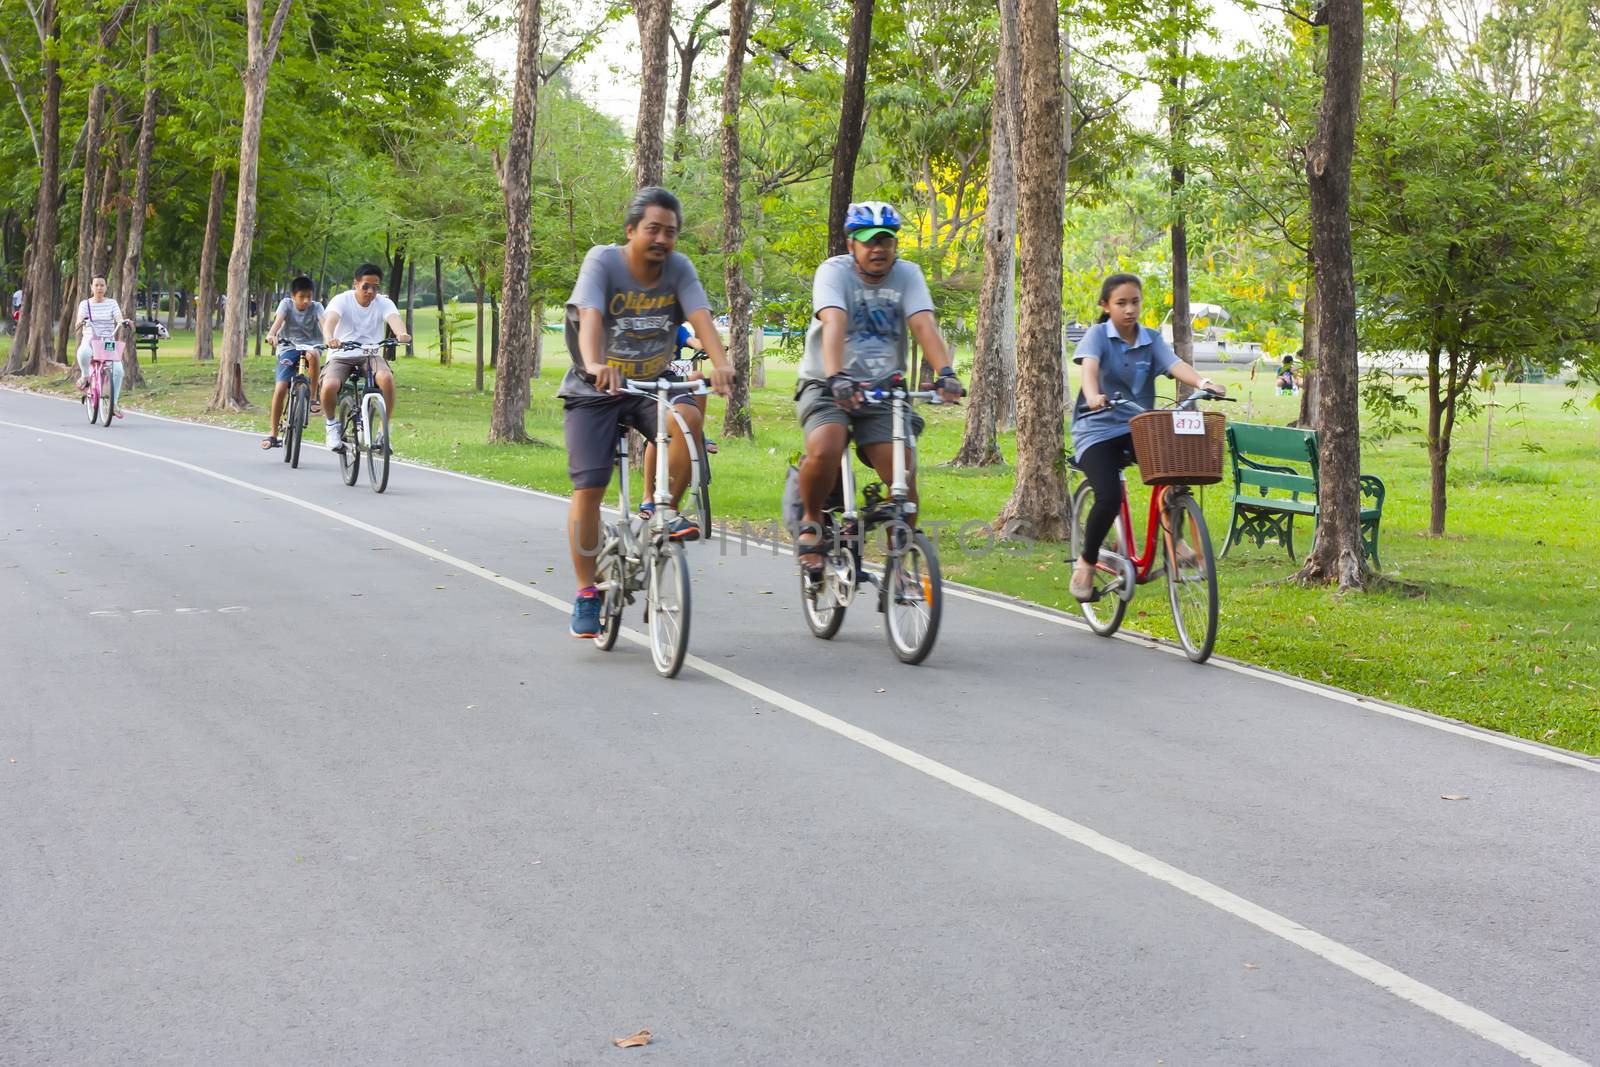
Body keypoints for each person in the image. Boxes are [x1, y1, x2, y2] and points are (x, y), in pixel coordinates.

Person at [561, 186, 734, 638]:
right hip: (594, 386)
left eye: (670, 232)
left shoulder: (678, 268)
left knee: (688, 419)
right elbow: (591, 314)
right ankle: (585, 592)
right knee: (590, 487)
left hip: (650, 384)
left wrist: (720, 363)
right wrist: (597, 362)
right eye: (653, 229)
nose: (661, 239)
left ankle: (664, 513)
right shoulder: (603, 261)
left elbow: (700, 316)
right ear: (631, 231)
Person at [792, 200, 964, 580]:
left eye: (886, 240)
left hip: (884, 389)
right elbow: (834, 323)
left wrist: (946, 372)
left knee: (903, 472)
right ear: (851, 244)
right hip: (826, 382)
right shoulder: (833, 272)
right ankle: (811, 521)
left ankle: (899, 563)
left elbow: (923, 325)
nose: (878, 249)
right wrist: (837, 376)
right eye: (869, 241)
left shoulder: (908, 275)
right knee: (827, 444)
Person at [1068, 272, 1225, 601]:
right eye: (1121, 303)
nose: (1129, 309)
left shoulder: (1150, 338)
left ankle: (1176, 539)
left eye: (1135, 302)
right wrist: (1094, 395)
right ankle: (1086, 561)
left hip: (1139, 428)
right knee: (1108, 498)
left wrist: (1204, 383)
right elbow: (1089, 370)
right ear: (1106, 306)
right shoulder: (1097, 335)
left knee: (1178, 468)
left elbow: (1176, 364)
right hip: (1096, 429)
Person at [319, 264, 409, 450]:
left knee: (387, 378)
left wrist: (401, 334)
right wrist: (330, 339)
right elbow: (330, 323)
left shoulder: (383, 302)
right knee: (330, 385)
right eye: (366, 286)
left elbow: (394, 319)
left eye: (375, 287)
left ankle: (383, 432)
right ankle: (331, 425)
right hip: (341, 355)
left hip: (371, 354)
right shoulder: (341, 300)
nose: (371, 291)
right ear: (356, 284)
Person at [261, 276, 325, 450]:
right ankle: (273, 434)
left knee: (314, 355)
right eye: (302, 296)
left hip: (312, 345)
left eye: (309, 297)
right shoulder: (286, 304)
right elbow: (277, 322)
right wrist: (272, 334)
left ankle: (312, 398)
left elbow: (325, 324)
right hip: (288, 347)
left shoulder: (317, 307)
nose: (306, 301)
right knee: (281, 388)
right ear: (293, 295)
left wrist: (332, 337)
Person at [75, 275, 132, 418]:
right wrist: (81, 322)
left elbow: (118, 317)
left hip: (107, 342)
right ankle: (85, 376)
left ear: (106, 287)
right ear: (91, 287)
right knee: (83, 352)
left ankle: (113, 404)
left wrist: (123, 322)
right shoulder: (84, 304)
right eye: (96, 285)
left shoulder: (112, 303)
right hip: (90, 339)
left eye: (102, 285)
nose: (99, 288)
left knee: (118, 371)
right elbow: (78, 321)